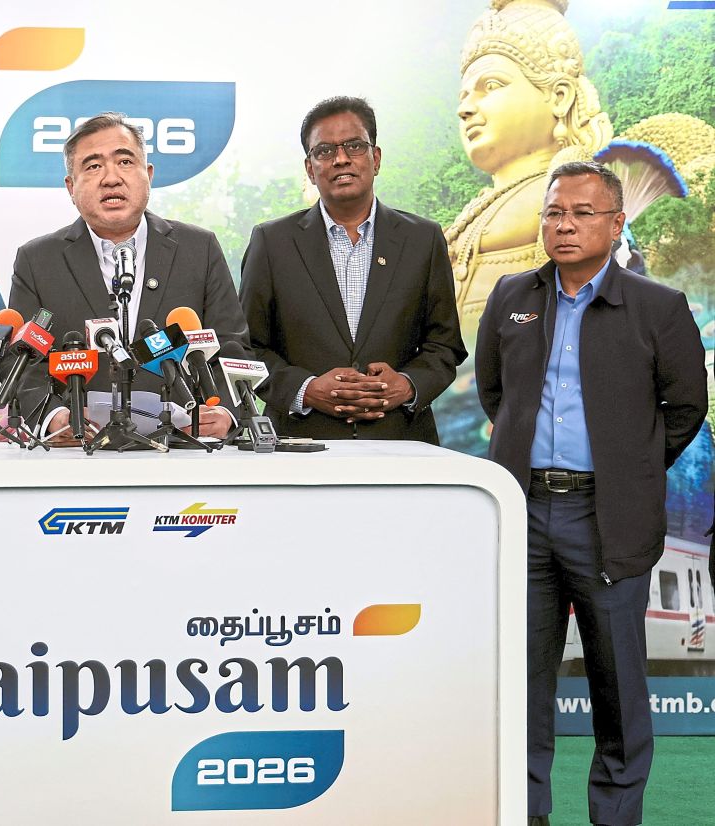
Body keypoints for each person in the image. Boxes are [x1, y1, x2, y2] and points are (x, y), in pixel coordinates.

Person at [475, 161, 707, 826]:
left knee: (618, 689)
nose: (565, 225)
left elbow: (685, 406)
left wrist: (630, 468)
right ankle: (527, 814)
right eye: (554, 213)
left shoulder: (658, 308)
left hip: (607, 519)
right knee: (522, 689)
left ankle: (614, 818)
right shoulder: (511, 297)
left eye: (581, 213)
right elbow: (497, 393)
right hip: (521, 516)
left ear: (615, 222)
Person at [7, 112, 248, 441]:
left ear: (147, 175)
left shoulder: (198, 248)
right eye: (92, 166)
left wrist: (224, 413)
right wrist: (51, 416)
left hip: (182, 444)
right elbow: (20, 360)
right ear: (70, 187)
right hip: (79, 448)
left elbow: (231, 344)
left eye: (124, 161)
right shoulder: (38, 260)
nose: (110, 178)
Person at [239, 96, 466, 443]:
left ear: (375, 159)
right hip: (302, 446)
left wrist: (406, 386)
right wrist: (306, 389)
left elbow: (444, 345)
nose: (341, 158)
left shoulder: (423, 238)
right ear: (309, 168)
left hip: (402, 443)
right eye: (325, 151)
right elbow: (246, 348)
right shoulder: (272, 242)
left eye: (354, 146)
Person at [448, 0, 613, 334]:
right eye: (463, 95)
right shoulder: (477, 209)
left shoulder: (579, 194)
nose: (465, 108)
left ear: (559, 96)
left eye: (490, 85)